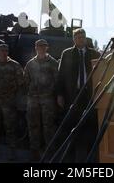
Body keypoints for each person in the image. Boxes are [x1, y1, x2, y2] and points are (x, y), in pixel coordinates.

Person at [56, 28, 101, 162]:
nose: (81, 39)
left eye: (83, 37)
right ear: (74, 39)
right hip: (73, 95)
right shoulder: (67, 54)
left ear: (85, 38)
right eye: (78, 37)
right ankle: (73, 156)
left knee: (90, 125)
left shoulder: (95, 54)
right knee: (73, 125)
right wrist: (59, 94)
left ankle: (90, 155)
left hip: (90, 95)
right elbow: (61, 75)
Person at [24, 39, 59, 161]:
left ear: (47, 47)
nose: (41, 48)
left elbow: (57, 80)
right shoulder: (30, 64)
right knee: (33, 126)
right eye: (39, 46)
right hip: (33, 99)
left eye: (44, 46)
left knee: (49, 126)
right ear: (35, 48)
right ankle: (35, 153)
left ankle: (50, 153)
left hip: (48, 99)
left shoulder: (53, 63)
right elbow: (26, 81)